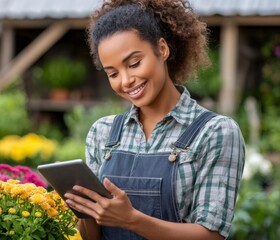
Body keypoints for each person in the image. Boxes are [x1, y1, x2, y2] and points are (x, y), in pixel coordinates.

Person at [63, 0, 245, 239]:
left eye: (134, 63)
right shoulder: (103, 133)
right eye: (113, 73)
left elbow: (211, 236)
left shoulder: (215, 132)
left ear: (162, 49)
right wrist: (84, 210)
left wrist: (132, 220)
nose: (126, 80)